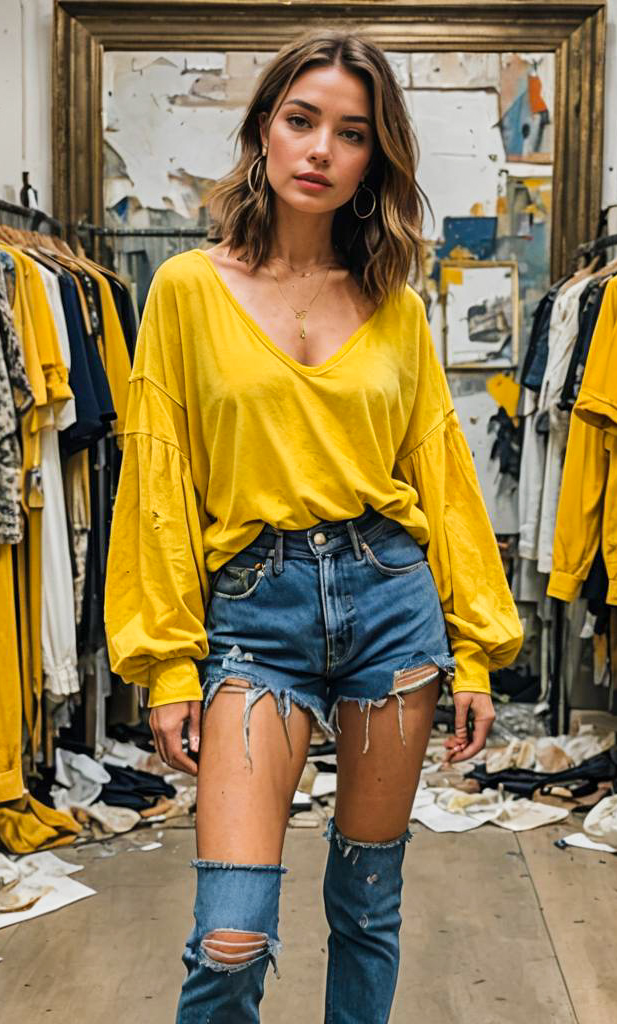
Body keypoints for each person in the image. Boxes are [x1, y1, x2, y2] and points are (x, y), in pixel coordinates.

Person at [105, 29, 523, 1024]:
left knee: (367, 906)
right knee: (230, 933)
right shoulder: (188, 291)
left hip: (391, 605)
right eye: (301, 120)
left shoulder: (392, 306)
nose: (321, 149)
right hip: (255, 616)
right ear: (261, 130)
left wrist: (473, 651)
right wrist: (168, 665)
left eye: (351, 132)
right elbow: (156, 480)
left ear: (374, 158)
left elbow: (443, 478)